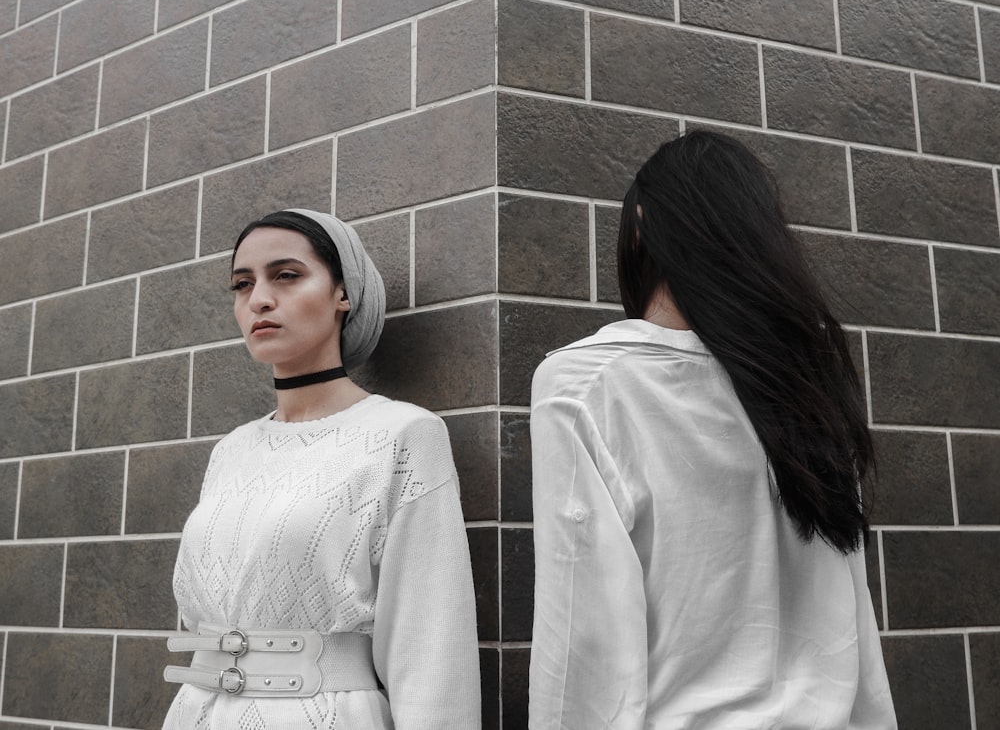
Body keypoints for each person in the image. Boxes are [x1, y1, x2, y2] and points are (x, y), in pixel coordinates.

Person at [528, 131, 896, 729]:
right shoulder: (806, 383)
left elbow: (583, 637)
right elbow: (855, 617)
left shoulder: (586, 383)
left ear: (640, 224)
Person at [162, 209, 481, 729]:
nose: (259, 299)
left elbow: (431, 648)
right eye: (242, 285)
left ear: (343, 294)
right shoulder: (232, 450)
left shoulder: (403, 435)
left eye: (286, 275)